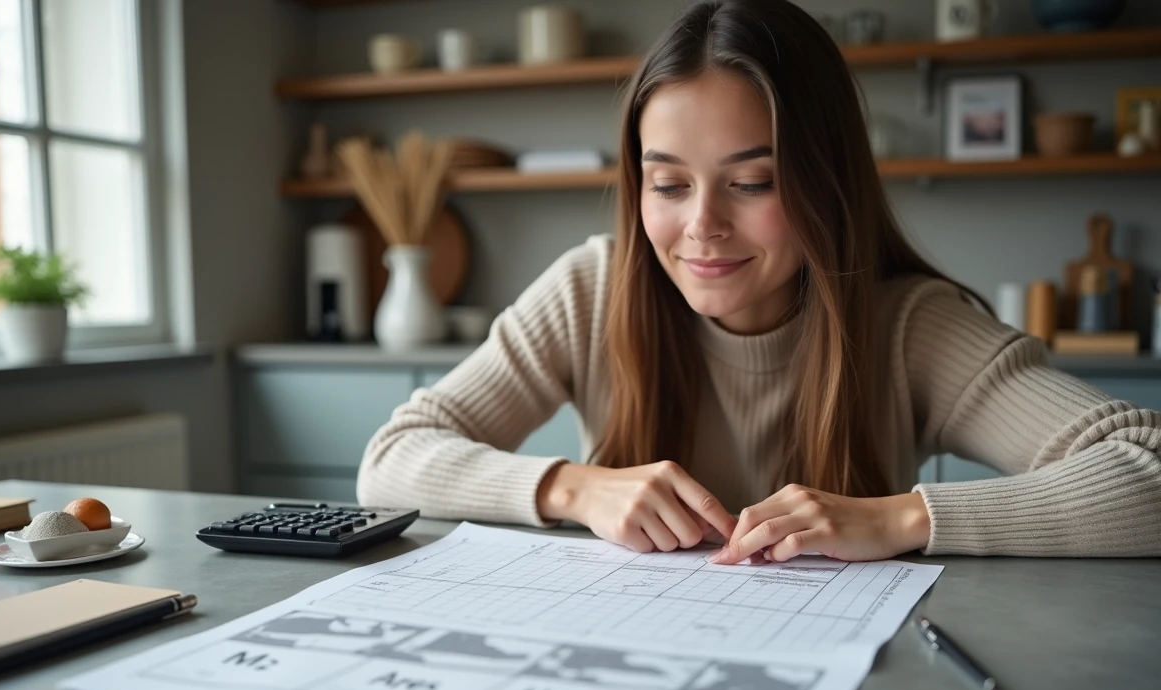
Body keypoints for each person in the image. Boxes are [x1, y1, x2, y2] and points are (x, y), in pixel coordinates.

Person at [358, 0, 1161, 562]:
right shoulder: (591, 288)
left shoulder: (912, 325)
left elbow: (1145, 465)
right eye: (668, 185)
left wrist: (902, 519)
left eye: (752, 183)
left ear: (824, 182)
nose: (702, 225)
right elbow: (392, 459)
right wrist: (574, 489)